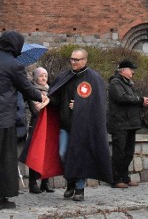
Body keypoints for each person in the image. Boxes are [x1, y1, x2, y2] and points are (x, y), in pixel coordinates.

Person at [0, 31, 47, 209]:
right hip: (3, 119)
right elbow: (27, 88)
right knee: (2, 159)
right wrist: (40, 96)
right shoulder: (15, 65)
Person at [27, 49, 112, 202]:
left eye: (77, 60)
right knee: (62, 153)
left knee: (80, 157)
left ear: (85, 60)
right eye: (72, 59)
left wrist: (80, 104)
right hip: (65, 125)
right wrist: (48, 101)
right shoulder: (64, 76)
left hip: (84, 128)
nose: (73, 62)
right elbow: (57, 98)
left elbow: (98, 105)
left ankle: (79, 188)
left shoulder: (94, 79)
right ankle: (70, 182)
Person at [108, 60, 148, 188]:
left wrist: (142, 102)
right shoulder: (115, 82)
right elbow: (122, 98)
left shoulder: (129, 84)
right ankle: (115, 179)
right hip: (120, 123)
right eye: (131, 69)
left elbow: (132, 99)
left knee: (128, 153)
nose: (133, 72)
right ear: (122, 70)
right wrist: (139, 99)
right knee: (119, 153)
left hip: (131, 123)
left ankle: (125, 177)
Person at [23, 67, 53, 194]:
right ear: (35, 77)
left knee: (48, 153)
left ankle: (45, 182)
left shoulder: (51, 90)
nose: (44, 78)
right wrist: (46, 101)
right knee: (35, 153)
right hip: (37, 124)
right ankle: (33, 183)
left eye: (45, 76)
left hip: (49, 124)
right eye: (41, 76)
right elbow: (36, 109)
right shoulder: (32, 91)